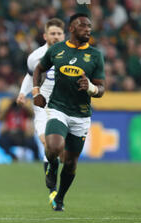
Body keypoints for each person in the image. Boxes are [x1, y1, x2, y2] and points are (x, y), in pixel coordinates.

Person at [32, 13, 105, 211]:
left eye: (90, 26)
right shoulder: (57, 50)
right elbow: (38, 70)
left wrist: (90, 87)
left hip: (81, 115)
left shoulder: (96, 55)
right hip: (58, 108)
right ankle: (51, 164)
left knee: (71, 162)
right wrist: (36, 92)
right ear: (72, 29)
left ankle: (60, 198)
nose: (88, 29)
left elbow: (101, 89)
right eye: (83, 26)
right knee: (54, 146)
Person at [16, 18, 65, 201]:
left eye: (59, 33)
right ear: (45, 36)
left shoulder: (73, 55)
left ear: (64, 35)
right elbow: (30, 77)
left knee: (62, 151)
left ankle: (51, 169)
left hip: (65, 106)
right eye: (52, 33)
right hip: (43, 106)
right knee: (48, 143)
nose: (56, 36)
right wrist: (23, 93)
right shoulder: (35, 57)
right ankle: (53, 189)